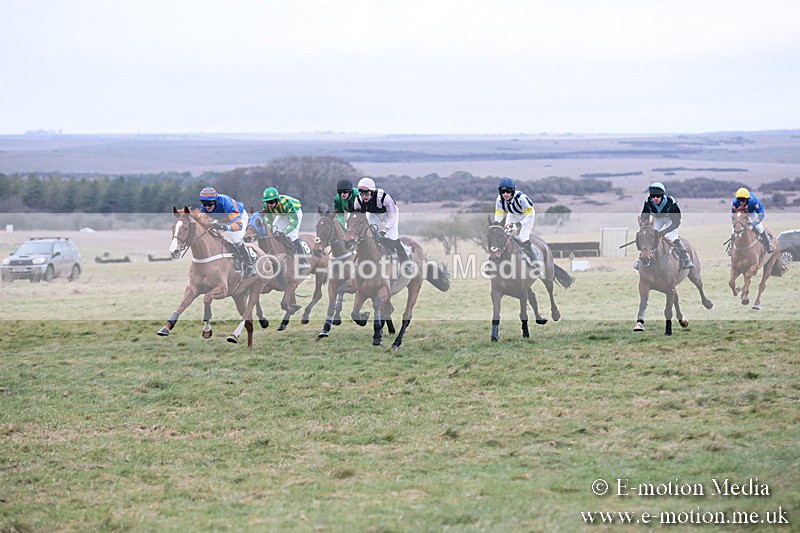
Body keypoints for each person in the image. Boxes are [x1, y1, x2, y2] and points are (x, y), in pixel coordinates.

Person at [353, 176, 414, 276]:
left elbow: (393, 217)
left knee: (393, 238)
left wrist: (384, 231)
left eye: (367, 193)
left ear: (372, 191)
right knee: (367, 235)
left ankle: (406, 263)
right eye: (362, 193)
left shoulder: (383, 197)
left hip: (389, 215)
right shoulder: (358, 201)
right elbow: (356, 217)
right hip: (373, 214)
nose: (364, 196)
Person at [198, 186, 256, 277]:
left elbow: (239, 225)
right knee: (211, 234)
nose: (207, 206)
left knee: (235, 239)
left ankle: (250, 265)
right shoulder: (204, 208)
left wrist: (223, 227)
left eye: (210, 203)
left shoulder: (226, 203)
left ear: (216, 201)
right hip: (223, 219)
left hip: (239, 217)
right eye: (204, 203)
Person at [637, 182, 693, 270]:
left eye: (658, 196)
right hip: (657, 218)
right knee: (649, 236)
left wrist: (664, 231)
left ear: (662, 195)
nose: (655, 199)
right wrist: (646, 229)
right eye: (653, 196)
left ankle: (686, 258)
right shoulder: (648, 201)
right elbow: (644, 217)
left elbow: (676, 222)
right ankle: (641, 258)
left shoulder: (671, 203)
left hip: (670, 218)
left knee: (672, 236)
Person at [494, 177, 537, 263]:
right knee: (505, 234)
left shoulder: (521, 198)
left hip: (527, 216)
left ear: (513, 191)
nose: (505, 194)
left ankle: (534, 261)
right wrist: (497, 226)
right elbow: (498, 216)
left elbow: (529, 216)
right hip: (513, 214)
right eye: (503, 192)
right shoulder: (499, 200)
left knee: (523, 237)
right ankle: (501, 259)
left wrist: (517, 225)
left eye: (508, 191)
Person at [262, 186, 309, 264]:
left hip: (294, 212)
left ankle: (303, 260)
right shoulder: (266, 205)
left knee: (292, 235)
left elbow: (293, 222)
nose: (269, 204)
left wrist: (285, 231)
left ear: (277, 199)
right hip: (282, 213)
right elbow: (268, 220)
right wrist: (270, 229)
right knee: (274, 231)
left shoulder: (286, 204)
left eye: (272, 201)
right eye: (267, 202)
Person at [730, 187, 774, 254]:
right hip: (741, 213)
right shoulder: (735, 202)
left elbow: (761, 215)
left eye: (743, 200)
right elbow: (733, 215)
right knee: (733, 231)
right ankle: (731, 247)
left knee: (760, 228)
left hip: (752, 212)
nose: (741, 202)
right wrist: (735, 224)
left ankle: (768, 245)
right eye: (739, 200)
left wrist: (752, 225)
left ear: (748, 199)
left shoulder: (754, 201)